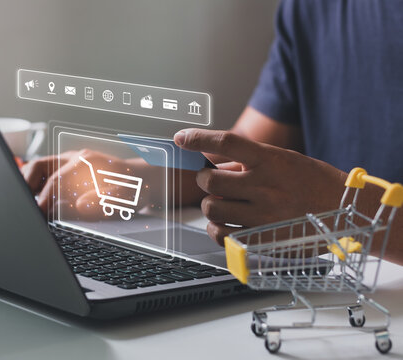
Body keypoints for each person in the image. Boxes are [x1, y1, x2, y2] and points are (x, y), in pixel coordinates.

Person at [23, 0, 403, 264]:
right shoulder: (310, 9)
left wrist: (346, 211)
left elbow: (325, 203)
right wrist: (134, 176)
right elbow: (248, 155)